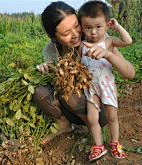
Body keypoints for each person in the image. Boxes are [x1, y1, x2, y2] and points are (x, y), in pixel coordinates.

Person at [33, 1, 135, 152]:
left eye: (76, 26)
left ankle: (93, 133)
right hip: (76, 105)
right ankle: (65, 125)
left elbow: (130, 73)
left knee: (67, 88)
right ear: (52, 37)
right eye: (66, 33)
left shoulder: (94, 37)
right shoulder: (52, 49)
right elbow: (55, 78)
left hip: (99, 108)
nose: (75, 35)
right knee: (39, 91)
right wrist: (46, 68)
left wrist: (108, 55)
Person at [77, 0, 132, 161]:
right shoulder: (82, 46)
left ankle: (115, 143)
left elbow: (127, 41)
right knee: (92, 118)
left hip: (107, 86)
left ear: (107, 26)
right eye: (88, 27)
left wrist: (118, 27)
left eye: (98, 27)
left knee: (112, 117)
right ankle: (99, 145)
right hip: (91, 88)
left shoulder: (108, 42)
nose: (93, 32)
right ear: (82, 27)